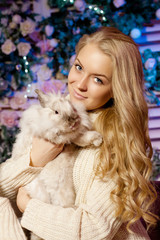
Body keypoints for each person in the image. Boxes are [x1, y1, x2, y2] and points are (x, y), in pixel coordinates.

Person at [0, 27, 158, 240]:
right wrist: (34, 160)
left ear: (116, 89)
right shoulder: (52, 118)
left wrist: (27, 206)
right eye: (79, 67)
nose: (80, 84)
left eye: (98, 80)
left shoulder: (115, 140)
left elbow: (92, 230)